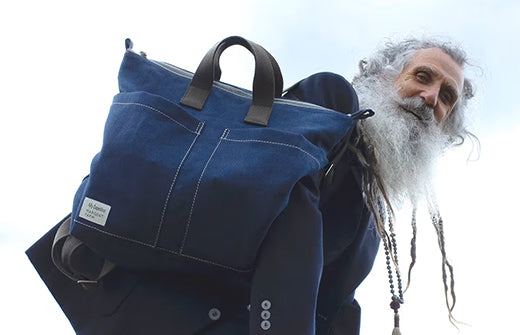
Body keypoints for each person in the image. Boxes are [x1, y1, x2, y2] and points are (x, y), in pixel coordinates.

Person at [26, 37, 475, 335]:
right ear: (382, 78)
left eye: (447, 97)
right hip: (171, 315)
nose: (432, 97)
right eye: (422, 76)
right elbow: (290, 223)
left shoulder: (373, 208)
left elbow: (336, 306)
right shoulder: (330, 102)